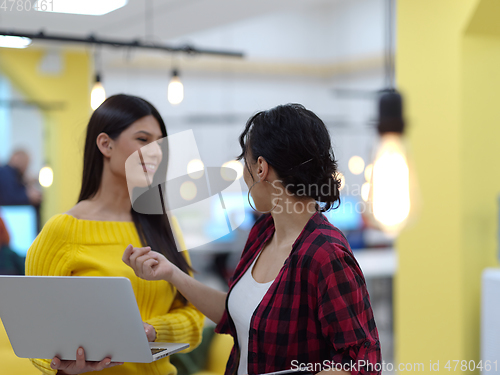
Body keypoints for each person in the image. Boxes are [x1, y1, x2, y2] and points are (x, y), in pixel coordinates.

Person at [124, 104, 382, 375]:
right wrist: (172, 273)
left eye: (244, 163)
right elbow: (235, 313)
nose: (244, 178)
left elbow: (362, 361)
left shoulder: (325, 253)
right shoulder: (263, 233)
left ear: (261, 168)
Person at [26, 94, 204, 375]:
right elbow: (34, 337)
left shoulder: (162, 225)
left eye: (160, 143)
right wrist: (63, 367)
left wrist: (151, 331)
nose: (156, 152)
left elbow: (194, 318)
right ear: (105, 144)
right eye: (143, 140)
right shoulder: (62, 231)